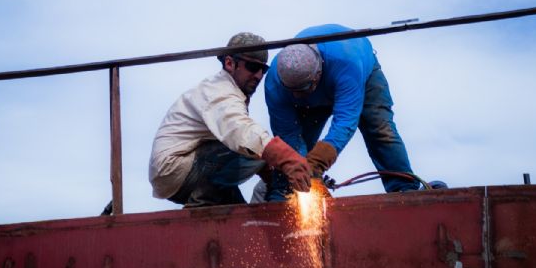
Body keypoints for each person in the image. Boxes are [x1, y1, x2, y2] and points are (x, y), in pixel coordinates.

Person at [149, 32, 312, 207]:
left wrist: (270, 175)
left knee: (240, 215)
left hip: (186, 170)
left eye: (262, 70)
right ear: (229, 63)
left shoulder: (228, 92)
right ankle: (201, 204)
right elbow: (241, 132)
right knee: (254, 146)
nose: (258, 75)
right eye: (251, 67)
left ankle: (209, 203)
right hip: (174, 170)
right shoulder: (220, 93)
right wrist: (287, 159)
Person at [263, 23, 419, 201]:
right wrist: (299, 168)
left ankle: (404, 189)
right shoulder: (275, 85)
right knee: (294, 153)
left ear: (318, 73)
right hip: (316, 90)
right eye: (293, 90)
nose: (298, 95)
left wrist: (318, 161)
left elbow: (346, 120)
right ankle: (286, 195)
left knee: (379, 129)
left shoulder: (347, 64)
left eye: (304, 88)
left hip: (361, 73)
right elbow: (288, 134)